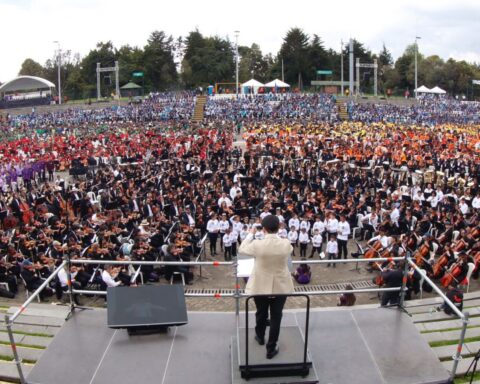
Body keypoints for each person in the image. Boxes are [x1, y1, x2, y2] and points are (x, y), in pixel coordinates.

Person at [238, 215, 294, 360]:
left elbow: (242, 249)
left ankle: (260, 336)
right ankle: (271, 348)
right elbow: (288, 250)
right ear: (279, 227)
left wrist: (250, 233)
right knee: (276, 316)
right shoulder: (286, 243)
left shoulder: (257, 244)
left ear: (263, 229)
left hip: (260, 285)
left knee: (261, 312)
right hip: (280, 286)